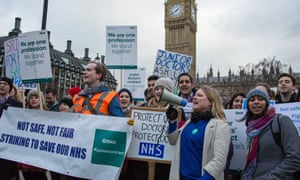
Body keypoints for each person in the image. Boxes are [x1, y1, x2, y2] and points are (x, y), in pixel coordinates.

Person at [167, 85, 230, 180]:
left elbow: (219, 161)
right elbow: (173, 140)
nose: (194, 97)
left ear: (211, 102)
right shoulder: (190, 122)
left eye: (200, 96)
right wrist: (172, 121)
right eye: (195, 95)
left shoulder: (220, 126)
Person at [241, 88, 300, 179]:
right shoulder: (251, 128)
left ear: (267, 103)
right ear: (248, 104)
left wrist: (269, 178)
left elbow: (295, 158)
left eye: (260, 99)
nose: (256, 102)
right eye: (252, 100)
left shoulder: (281, 121)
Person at [0, 77, 23, 179]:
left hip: (7, 148)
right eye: (0, 83)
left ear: (10, 88)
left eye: (5, 84)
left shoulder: (17, 105)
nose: (2, 85)